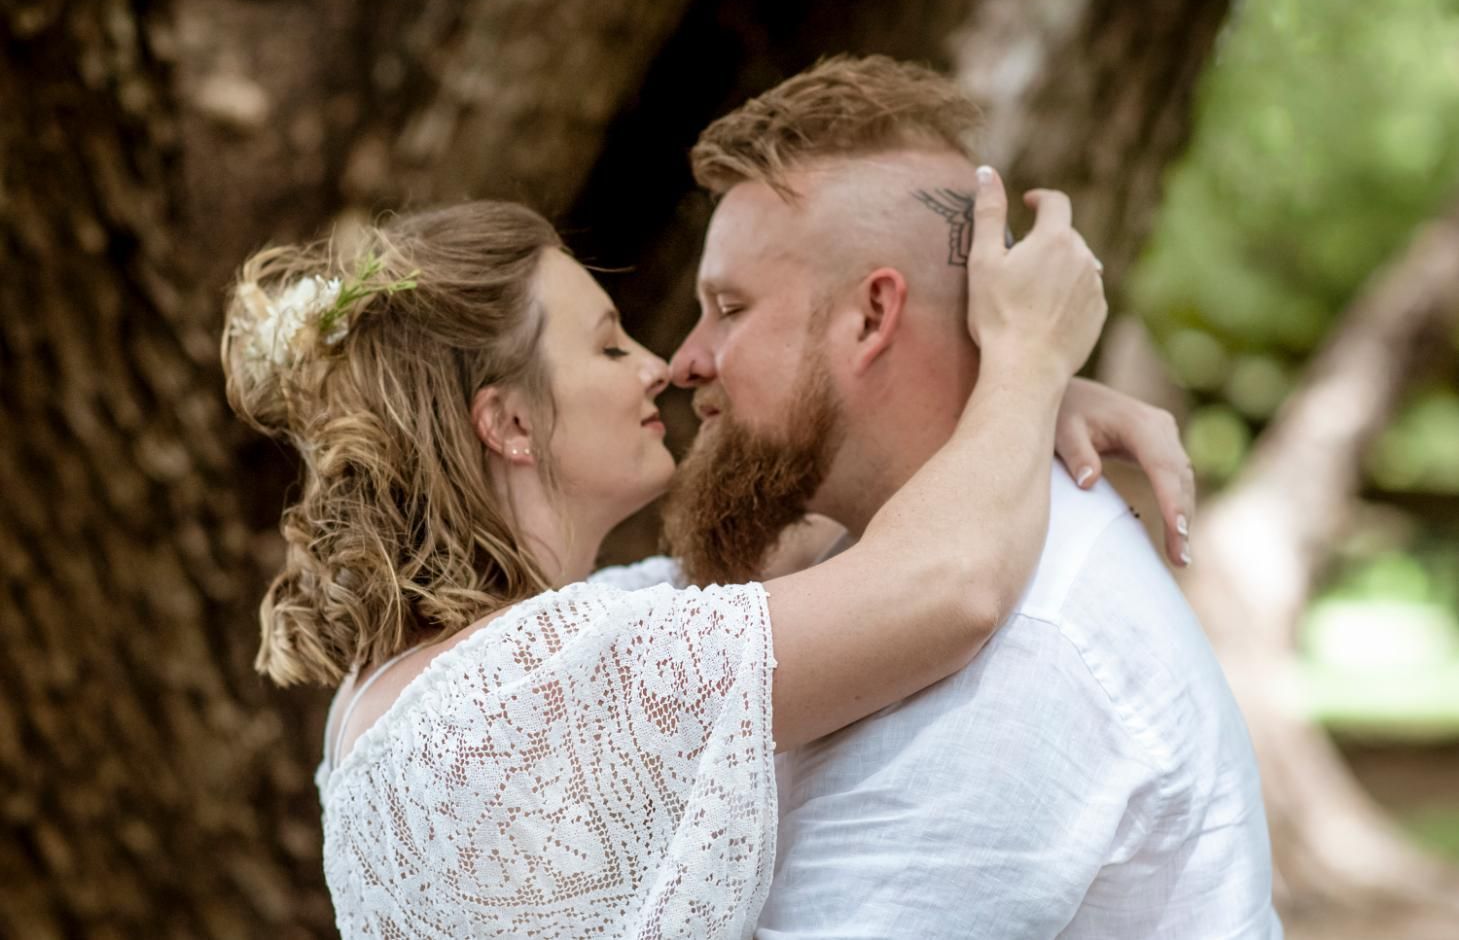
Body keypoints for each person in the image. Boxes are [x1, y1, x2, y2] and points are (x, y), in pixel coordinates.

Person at [221, 191, 1182, 936]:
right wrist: (1028, 357)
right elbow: (950, 583)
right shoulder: (532, 694)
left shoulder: (422, 685)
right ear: (509, 423)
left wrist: (1002, 414)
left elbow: (823, 537)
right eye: (606, 346)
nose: (658, 366)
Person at [665, 54, 1281, 938]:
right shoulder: (880, 564)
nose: (683, 359)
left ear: (872, 318)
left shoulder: (1016, 666)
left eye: (727, 306)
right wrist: (1023, 385)